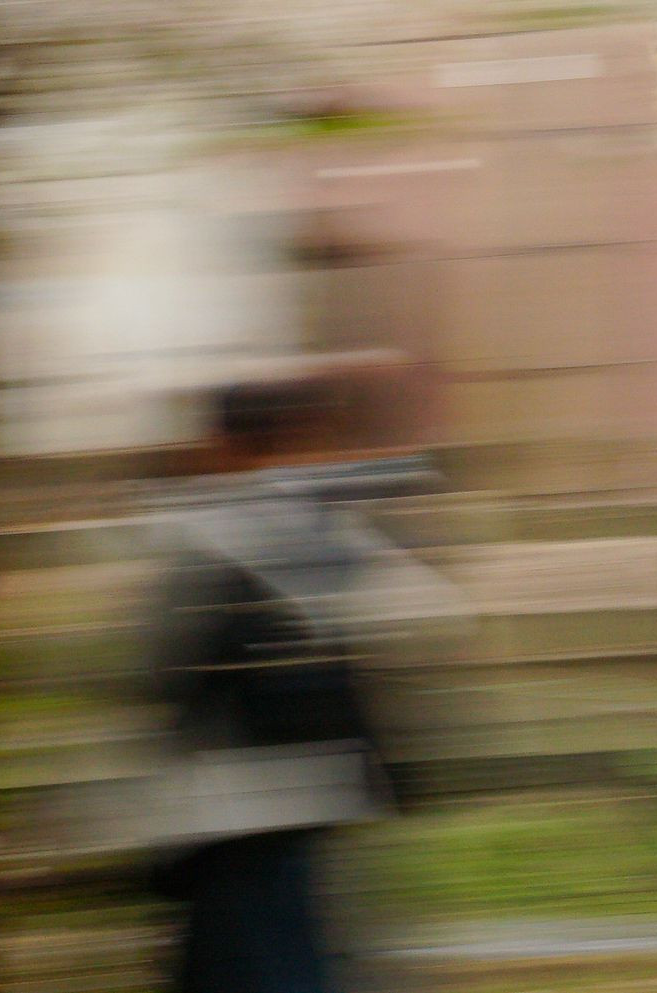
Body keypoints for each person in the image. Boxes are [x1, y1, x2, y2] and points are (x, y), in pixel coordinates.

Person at [143, 370, 434, 993]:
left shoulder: (213, 530)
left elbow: (169, 674)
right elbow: (366, 652)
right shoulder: (322, 527)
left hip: (234, 804)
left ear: (222, 443)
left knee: (253, 957)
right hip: (311, 795)